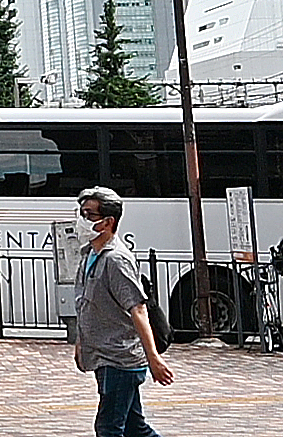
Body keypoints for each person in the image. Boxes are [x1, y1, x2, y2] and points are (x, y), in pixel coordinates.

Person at [74, 187, 173, 437]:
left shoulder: (116, 259)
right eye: (81, 212)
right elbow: (87, 306)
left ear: (108, 222)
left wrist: (153, 358)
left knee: (108, 427)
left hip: (119, 358)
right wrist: (80, 342)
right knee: (134, 427)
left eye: (88, 214)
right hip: (103, 353)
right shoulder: (90, 254)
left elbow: (137, 309)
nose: (81, 219)